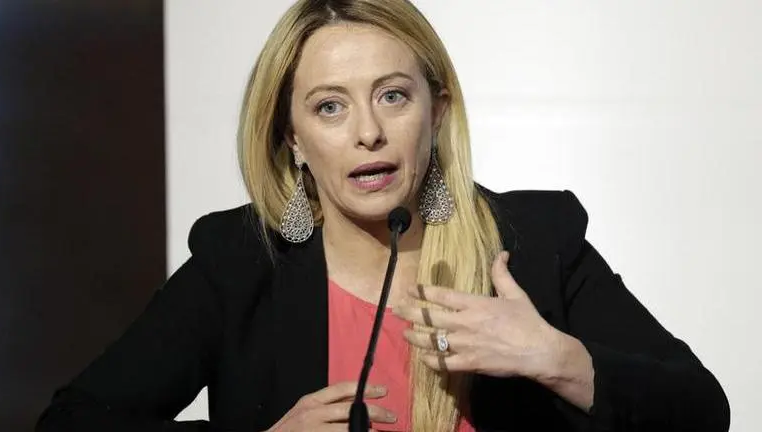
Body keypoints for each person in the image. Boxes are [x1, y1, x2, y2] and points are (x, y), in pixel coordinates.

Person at [36, 0, 730, 431]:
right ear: (293, 138)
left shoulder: (533, 244)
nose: (368, 132)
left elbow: (702, 412)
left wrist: (554, 358)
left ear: (437, 111)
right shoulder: (242, 264)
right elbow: (71, 421)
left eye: (393, 96)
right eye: (330, 107)